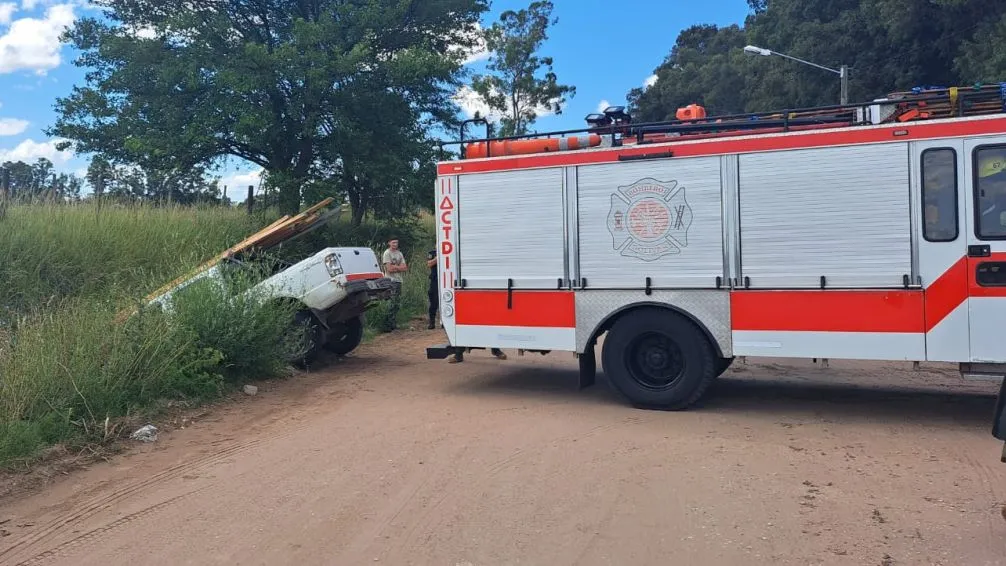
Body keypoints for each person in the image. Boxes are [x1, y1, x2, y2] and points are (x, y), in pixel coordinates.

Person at [381, 239, 407, 331]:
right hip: (390, 280)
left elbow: (405, 267)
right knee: (391, 303)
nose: (395, 244)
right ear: (389, 243)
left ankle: (393, 324)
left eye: (396, 242)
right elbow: (389, 269)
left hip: (398, 280)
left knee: (396, 303)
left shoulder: (399, 253)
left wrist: (395, 267)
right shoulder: (387, 253)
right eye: (393, 242)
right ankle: (387, 325)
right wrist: (398, 267)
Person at [426, 248, 439, 329]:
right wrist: (439, 257)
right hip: (435, 280)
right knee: (433, 301)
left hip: (447, 279)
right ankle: (432, 322)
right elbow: (429, 264)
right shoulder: (432, 253)